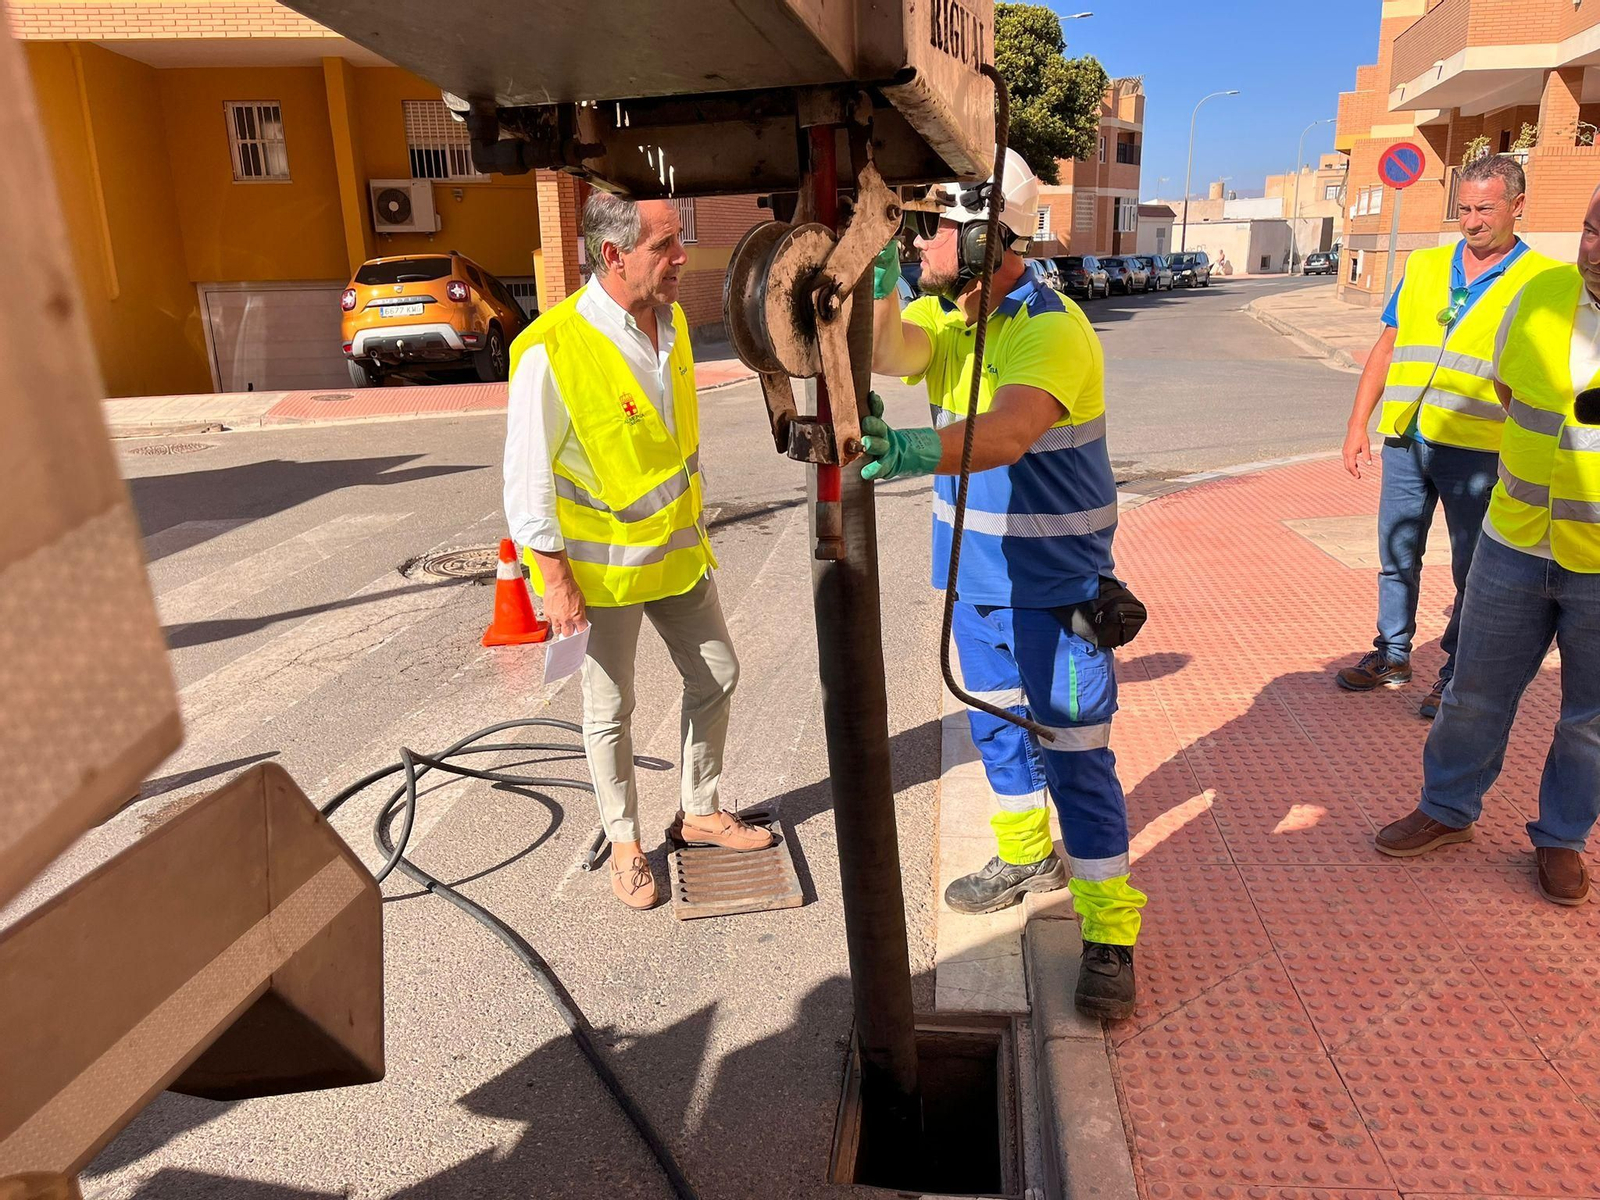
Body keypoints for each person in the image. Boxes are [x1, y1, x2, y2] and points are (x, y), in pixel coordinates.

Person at [864, 148, 1144, 1020]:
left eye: (935, 227)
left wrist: (911, 452)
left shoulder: (1048, 327)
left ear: (987, 233)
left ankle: (1110, 931)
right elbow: (889, 351)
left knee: (1075, 759)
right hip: (974, 585)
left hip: (1055, 594)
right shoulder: (952, 315)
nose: (923, 241)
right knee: (996, 733)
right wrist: (878, 275)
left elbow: (1011, 431)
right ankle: (1025, 857)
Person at [502, 193, 772, 911]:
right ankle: (626, 843)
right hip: (604, 574)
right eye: (664, 245)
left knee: (717, 674)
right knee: (611, 708)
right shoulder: (551, 348)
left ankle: (699, 811)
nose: (681, 257)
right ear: (612, 254)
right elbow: (526, 478)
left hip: (678, 554)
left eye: (679, 240)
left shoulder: (675, 321)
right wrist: (553, 578)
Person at [1375, 184, 1600, 906]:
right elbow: (1509, 390)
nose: (1596, 248)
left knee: (1590, 722)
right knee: (1473, 693)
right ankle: (1447, 810)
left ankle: (1562, 838)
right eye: (1592, 229)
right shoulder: (1540, 294)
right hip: (1516, 538)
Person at [1339, 155, 1557, 717]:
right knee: (1396, 552)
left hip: (1480, 449)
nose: (1472, 220)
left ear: (1518, 206)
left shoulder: (1543, 281)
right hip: (1407, 438)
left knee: (1472, 566)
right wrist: (1357, 424)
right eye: (1464, 208)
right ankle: (1391, 654)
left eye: (1485, 208)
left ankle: (1457, 671)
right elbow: (1388, 345)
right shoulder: (1426, 265)